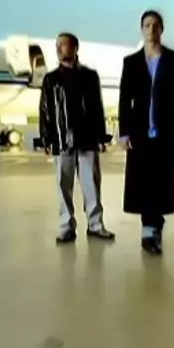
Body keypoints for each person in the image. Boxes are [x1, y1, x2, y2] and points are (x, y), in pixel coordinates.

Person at [118, 10, 174, 255]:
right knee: (142, 181)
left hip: (166, 130)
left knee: (161, 181)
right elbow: (124, 99)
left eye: (155, 25)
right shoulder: (131, 62)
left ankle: (154, 229)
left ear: (161, 29)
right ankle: (149, 231)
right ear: (142, 29)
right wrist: (124, 132)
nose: (151, 29)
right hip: (139, 132)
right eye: (147, 25)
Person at [39, 33, 115, 244]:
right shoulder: (51, 79)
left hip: (87, 139)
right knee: (64, 186)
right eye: (58, 45)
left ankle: (96, 225)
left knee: (92, 185)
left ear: (75, 48)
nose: (60, 48)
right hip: (62, 139)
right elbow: (45, 110)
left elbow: (97, 107)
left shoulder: (90, 76)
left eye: (64, 45)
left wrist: (101, 136)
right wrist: (46, 138)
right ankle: (66, 227)